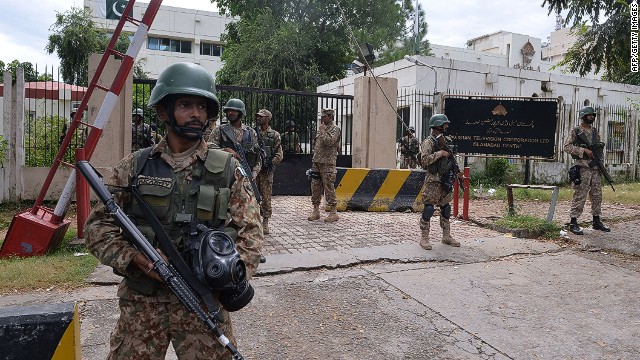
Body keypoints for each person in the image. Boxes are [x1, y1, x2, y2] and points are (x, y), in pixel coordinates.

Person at [84, 62, 263, 359]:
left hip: (202, 304)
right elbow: (97, 227)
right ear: (163, 111)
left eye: (202, 106)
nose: (196, 114)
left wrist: (226, 280)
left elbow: (251, 235)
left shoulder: (227, 169)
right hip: (142, 306)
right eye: (185, 104)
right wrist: (134, 258)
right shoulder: (135, 166)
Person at [563, 106, 611, 235]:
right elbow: (567, 147)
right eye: (589, 115)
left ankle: (596, 221)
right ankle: (573, 222)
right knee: (580, 195)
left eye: (593, 115)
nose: (592, 117)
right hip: (583, 167)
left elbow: (599, 149)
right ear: (583, 116)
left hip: (595, 168)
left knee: (597, 195)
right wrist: (583, 150)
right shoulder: (576, 131)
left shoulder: (595, 132)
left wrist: (601, 164)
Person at [418, 114, 462, 250]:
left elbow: (451, 160)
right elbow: (424, 161)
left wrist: (458, 173)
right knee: (429, 208)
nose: (447, 126)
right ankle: (424, 238)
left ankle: (446, 236)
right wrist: (440, 154)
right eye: (445, 124)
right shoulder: (428, 142)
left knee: (446, 208)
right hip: (433, 181)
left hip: (445, 179)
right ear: (437, 124)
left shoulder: (446, 140)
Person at [208, 99, 262, 180]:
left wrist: (254, 173)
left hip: (246, 176)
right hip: (224, 175)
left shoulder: (250, 132)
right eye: (229, 110)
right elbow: (208, 150)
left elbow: (258, 157)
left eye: (234, 111)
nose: (231, 113)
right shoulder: (219, 130)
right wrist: (224, 150)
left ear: (241, 113)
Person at [307, 108, 341, 223]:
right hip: (317, 161)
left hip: (327, 163)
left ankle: (333, 212)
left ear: (330, 116)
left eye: (324, 116)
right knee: (315, 186)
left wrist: (322, 132)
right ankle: (316, 210)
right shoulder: (321, 128)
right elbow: (316, 143)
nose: (322, 118)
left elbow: (329, 142)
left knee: (329, 186)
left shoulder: (335, 129)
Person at [255, 109, 283, 234]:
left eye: (262, 116)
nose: (259, 118)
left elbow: (279, 154)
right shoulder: (253, 133)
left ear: (268, 118)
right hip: (254, 170)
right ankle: (254, 221)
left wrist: (271, 163)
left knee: (266, 197)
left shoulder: (275, 135)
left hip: (266, 171)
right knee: (253, 196)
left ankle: (265, 222)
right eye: (258, 116)